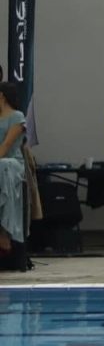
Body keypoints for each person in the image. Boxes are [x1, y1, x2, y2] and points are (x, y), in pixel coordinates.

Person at [0, 82, 27, 255]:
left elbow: (7, 145)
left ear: (2, 96)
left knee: (3, 165)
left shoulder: (17, 116)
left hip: (12, 163)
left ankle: (5, 231)